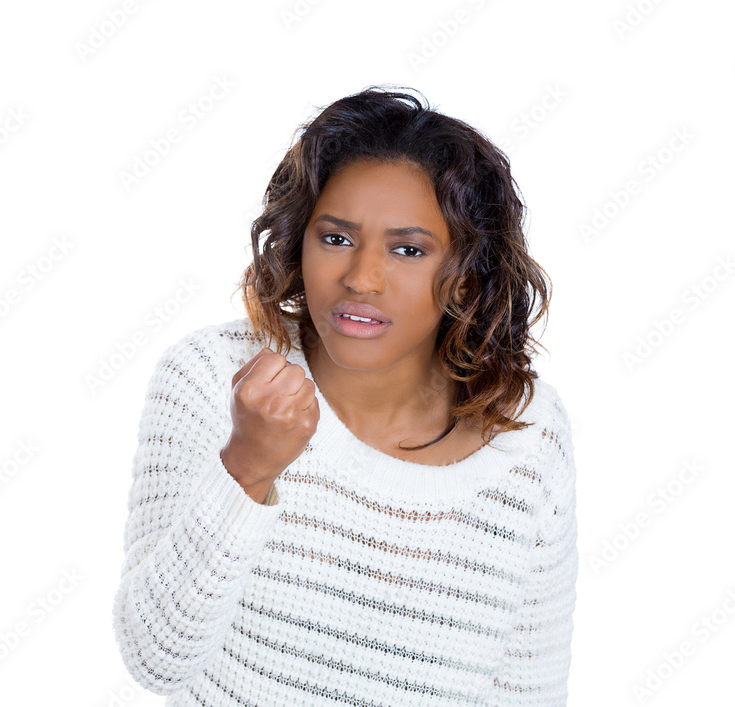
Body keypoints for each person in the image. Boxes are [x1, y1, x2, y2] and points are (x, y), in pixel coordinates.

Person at [111, 85, 578, 706]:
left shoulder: (528, 431)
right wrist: (248, 467)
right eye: (335, 238)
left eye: (408, 250)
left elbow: (529, 692)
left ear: (467, 277)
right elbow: (155, 661)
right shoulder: (210, 375)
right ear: (297, 240)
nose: (362, 278)